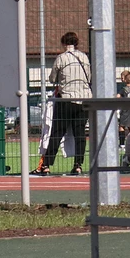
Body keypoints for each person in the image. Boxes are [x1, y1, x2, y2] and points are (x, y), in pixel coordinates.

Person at [36, 31, 92, 176]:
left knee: (57, 132)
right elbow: (89, 77)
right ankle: (78, 165)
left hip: (66, 99)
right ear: (76, 43)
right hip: (84, 99)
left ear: (63, 43)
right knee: (80, 134)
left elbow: (52, 78)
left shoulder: (61, 58)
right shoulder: (84, 57)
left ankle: (46, 165)